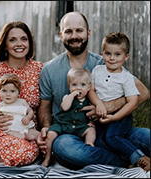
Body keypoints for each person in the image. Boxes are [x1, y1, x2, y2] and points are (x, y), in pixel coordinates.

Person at [37, 11, 150, 171]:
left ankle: (112, 154)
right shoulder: (49, 69)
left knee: (146, 136)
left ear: (88, 32)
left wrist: (108, 106)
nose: (74, 36)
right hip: (71, 135)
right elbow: (44, 107)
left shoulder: (104, 63)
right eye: (69, 31)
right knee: (65, 147)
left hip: (108, 129)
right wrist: (47, 130)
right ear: (61, 35)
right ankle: (124, 161)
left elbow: (143, 92)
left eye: (79, 30)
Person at [0, 21, 43, 167]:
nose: (19, 44)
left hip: (24, 134)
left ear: (30, 42)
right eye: (12, 40)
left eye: (24, 39)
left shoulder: (40, 70)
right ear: (5, 44)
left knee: (26, 153)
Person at [89, 32, 150, 171]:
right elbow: (90, 90)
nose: (112, 58)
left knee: (112, 137)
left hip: (121, 116)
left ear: (126, 56)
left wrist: (115, 117)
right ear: (102, 53)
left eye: (117, 54)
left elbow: (133, 101)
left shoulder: (126, 77)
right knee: (98, 141)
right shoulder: (97, 70)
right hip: (101, 116)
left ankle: (140, 158)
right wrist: (98, 103)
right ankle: (124, 161)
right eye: (108, 53)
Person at [41, 68, 96, 167]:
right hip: (63, 124)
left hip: (79, 126)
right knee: (50, 134)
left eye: (83, 85)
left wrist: (92, 123)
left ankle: (89, 144)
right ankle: (48, 157)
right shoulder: (67, 97)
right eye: (74, 85)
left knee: (91, 130)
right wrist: (72, 95)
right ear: (69, 86)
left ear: (89, 87)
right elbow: (65, 107)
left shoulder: (89, 101)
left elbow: (92, 115)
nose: (78, 88)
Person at [0, 73, 40, 141]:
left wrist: (28, 117)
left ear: (18, 92)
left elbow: (30, 111)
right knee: (11, 133)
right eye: (4, 91)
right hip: (10, 129)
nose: (8, 94)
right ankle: (24, 137)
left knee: (38, 135)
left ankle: (38, 141)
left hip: (24, 127)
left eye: (12, 91)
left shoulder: (22, 102)